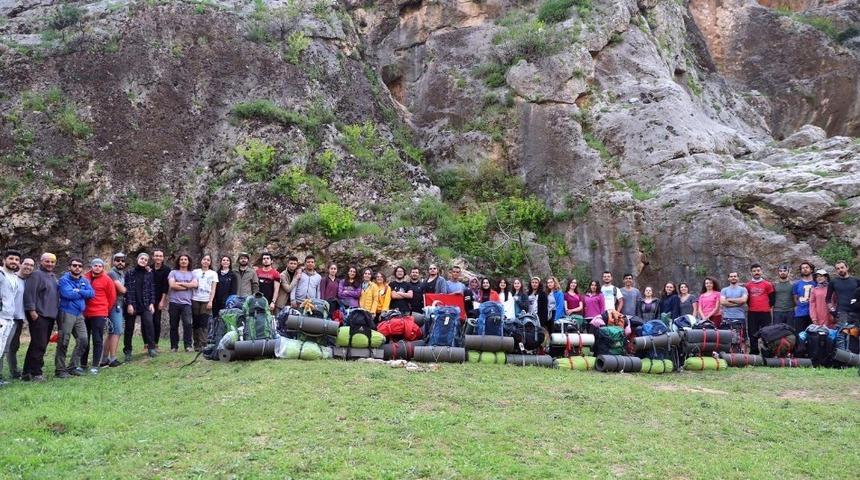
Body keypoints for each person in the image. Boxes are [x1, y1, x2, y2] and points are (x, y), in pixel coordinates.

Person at [22, 253, 60, 382]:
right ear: (41, 261)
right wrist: (32, 311)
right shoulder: (36, 275)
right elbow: (29, 293)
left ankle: (26, 372)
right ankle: (36, 373)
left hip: (49, 316)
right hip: (39, 315)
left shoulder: (53, 277)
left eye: (52, 262)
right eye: (47, 261)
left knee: (36, 344)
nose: (50, 264)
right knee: (40, 345)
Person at [55, 258, 95, 378]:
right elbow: (67, 294)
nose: (77, 268)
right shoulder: (64, 280)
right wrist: (83, 292)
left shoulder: (84, 280)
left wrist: (78, 291)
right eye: (74, 265)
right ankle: (60, 370)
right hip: (66, 312)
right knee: (63, 341)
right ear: (69, 267)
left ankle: (72, 367)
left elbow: (92, 293)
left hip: (79, 314)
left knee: (83, 340)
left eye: (79, 266)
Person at [82, 258, 116, 375]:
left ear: (103, 268)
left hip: (99, 313)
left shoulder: (107, 280)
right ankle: (83, 364)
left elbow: (112, 297)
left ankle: (95, 365)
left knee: (97, 339)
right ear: (91, 266)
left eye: (100, 266)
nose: (97, 267)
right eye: (95, 265)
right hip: (85, 313)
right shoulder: (84, 277)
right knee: (84, 339)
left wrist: (105, 310)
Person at [124, 253, 157, 359]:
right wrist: (129, 304)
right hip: (132, 304)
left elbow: (152, 289)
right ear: (137, 259)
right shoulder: (129, 273)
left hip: (146, 304)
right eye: (142, 258)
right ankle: (128, 351)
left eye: (146, 260)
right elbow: (127, 290)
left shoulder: (149, 274)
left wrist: (152, 303)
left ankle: (151, 348)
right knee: (129, 328)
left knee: (149, 325)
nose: (143, 261)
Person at [5, 257, 32, 379]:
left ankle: (14, 371)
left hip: (19, 318)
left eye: (31, 265)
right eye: (26, 264)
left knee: (14, 346)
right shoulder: (11, 278)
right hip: (7, 317)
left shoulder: (27, 281)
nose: (28, 267)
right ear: (21, 265)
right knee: (4, 346)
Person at [0, 250, 22, 386]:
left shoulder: (14, 277)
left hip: (9, 318)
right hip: (1, 316)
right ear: (4, 259)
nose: (14, 262)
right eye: (11, 259)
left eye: (16, 260)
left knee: (2, 349)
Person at [103, 253, 127, 367]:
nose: (120, 262)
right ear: (113, 262)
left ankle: (104, 359)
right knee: (116, 331)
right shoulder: (112, 273)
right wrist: (131, 290)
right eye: (117, 260)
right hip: (114, 305)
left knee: (112, 332)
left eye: (122, 260)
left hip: (118, 304)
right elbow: (122, 290)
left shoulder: (121, 273)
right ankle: (112, 359)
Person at [168, 254, 196, 352]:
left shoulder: (192, 274)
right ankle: (174, 346)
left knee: (188, 324)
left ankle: (188, 346)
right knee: (173, 325)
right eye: (181, 259)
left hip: (187, 303)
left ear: (188, 262)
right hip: (174, 302)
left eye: (185, 259)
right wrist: (188, 286)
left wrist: (180, 283)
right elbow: (172, 285)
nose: (183, 261)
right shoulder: (173, 272)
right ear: (178, 261)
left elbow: (195, 284)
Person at [191, 254, 218, 351]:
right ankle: (196, 344)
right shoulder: (195, 272)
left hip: (206, 299)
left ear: (210, 262)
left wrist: (210, 301)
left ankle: (203, 343)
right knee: (196, 322)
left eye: (208, 260)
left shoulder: (213, 273)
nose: (206, 261)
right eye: (204, 259)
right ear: (201, 261)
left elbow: (213, 289)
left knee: (204, 322)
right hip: (195, 298)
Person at [745, 263, 775, 351]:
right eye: (754, 271)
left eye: (758, 270)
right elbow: (747, 299)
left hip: (765, 313)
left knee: (767, 333)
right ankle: (754, 352)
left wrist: (766, 307)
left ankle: (767, 351)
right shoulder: (748, 285)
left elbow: (772, 299)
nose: (756, 272)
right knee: (752, 333)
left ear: (761, 271)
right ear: (751, 273)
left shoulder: (768, 284)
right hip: (752, 312)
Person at [720, 272, 748, 348]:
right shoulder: (724, 290)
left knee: (742, 339)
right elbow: (722, 302)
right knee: (726, 339)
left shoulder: (743, 289)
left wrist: (729, 299)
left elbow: (743, 300)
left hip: (740, 318)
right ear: (728, 278)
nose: (733, 278)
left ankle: (743, 357)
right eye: (731, 276)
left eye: (735, 276)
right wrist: (737, 303)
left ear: (738, 278)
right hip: (727, 318)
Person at [150, 249, 171, 351]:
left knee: (156, 321)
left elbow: (165, 287)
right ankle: (146, 344)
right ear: (153, 257)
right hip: (148, 298)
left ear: (163, 258)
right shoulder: (148, 268)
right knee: (147, 321)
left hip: (159, 299)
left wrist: (162, 301)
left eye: (160, 256)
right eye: (156, 255)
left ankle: (156, 343)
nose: (158, 258)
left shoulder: (167, 270)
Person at [792, 262, 816, 333]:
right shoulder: (796, 284)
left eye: (807, 267)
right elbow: (795, 299)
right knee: (800, 336)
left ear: (811, 270)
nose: (805, 269)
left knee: (813, 336)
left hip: (814, 314)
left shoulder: (816, 283)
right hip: (800, 314)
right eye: (803, 268)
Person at [213, 255, 238, 319]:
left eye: (227, 260)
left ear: (230, 263)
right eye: (224, 260)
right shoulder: (216, 274)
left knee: (225, 319)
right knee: (216, 319)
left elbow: (234, 291)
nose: (225, 262)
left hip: (227, 302)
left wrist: (229, 301)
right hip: (216, 302)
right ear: (221, 262)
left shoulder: (233, 275)